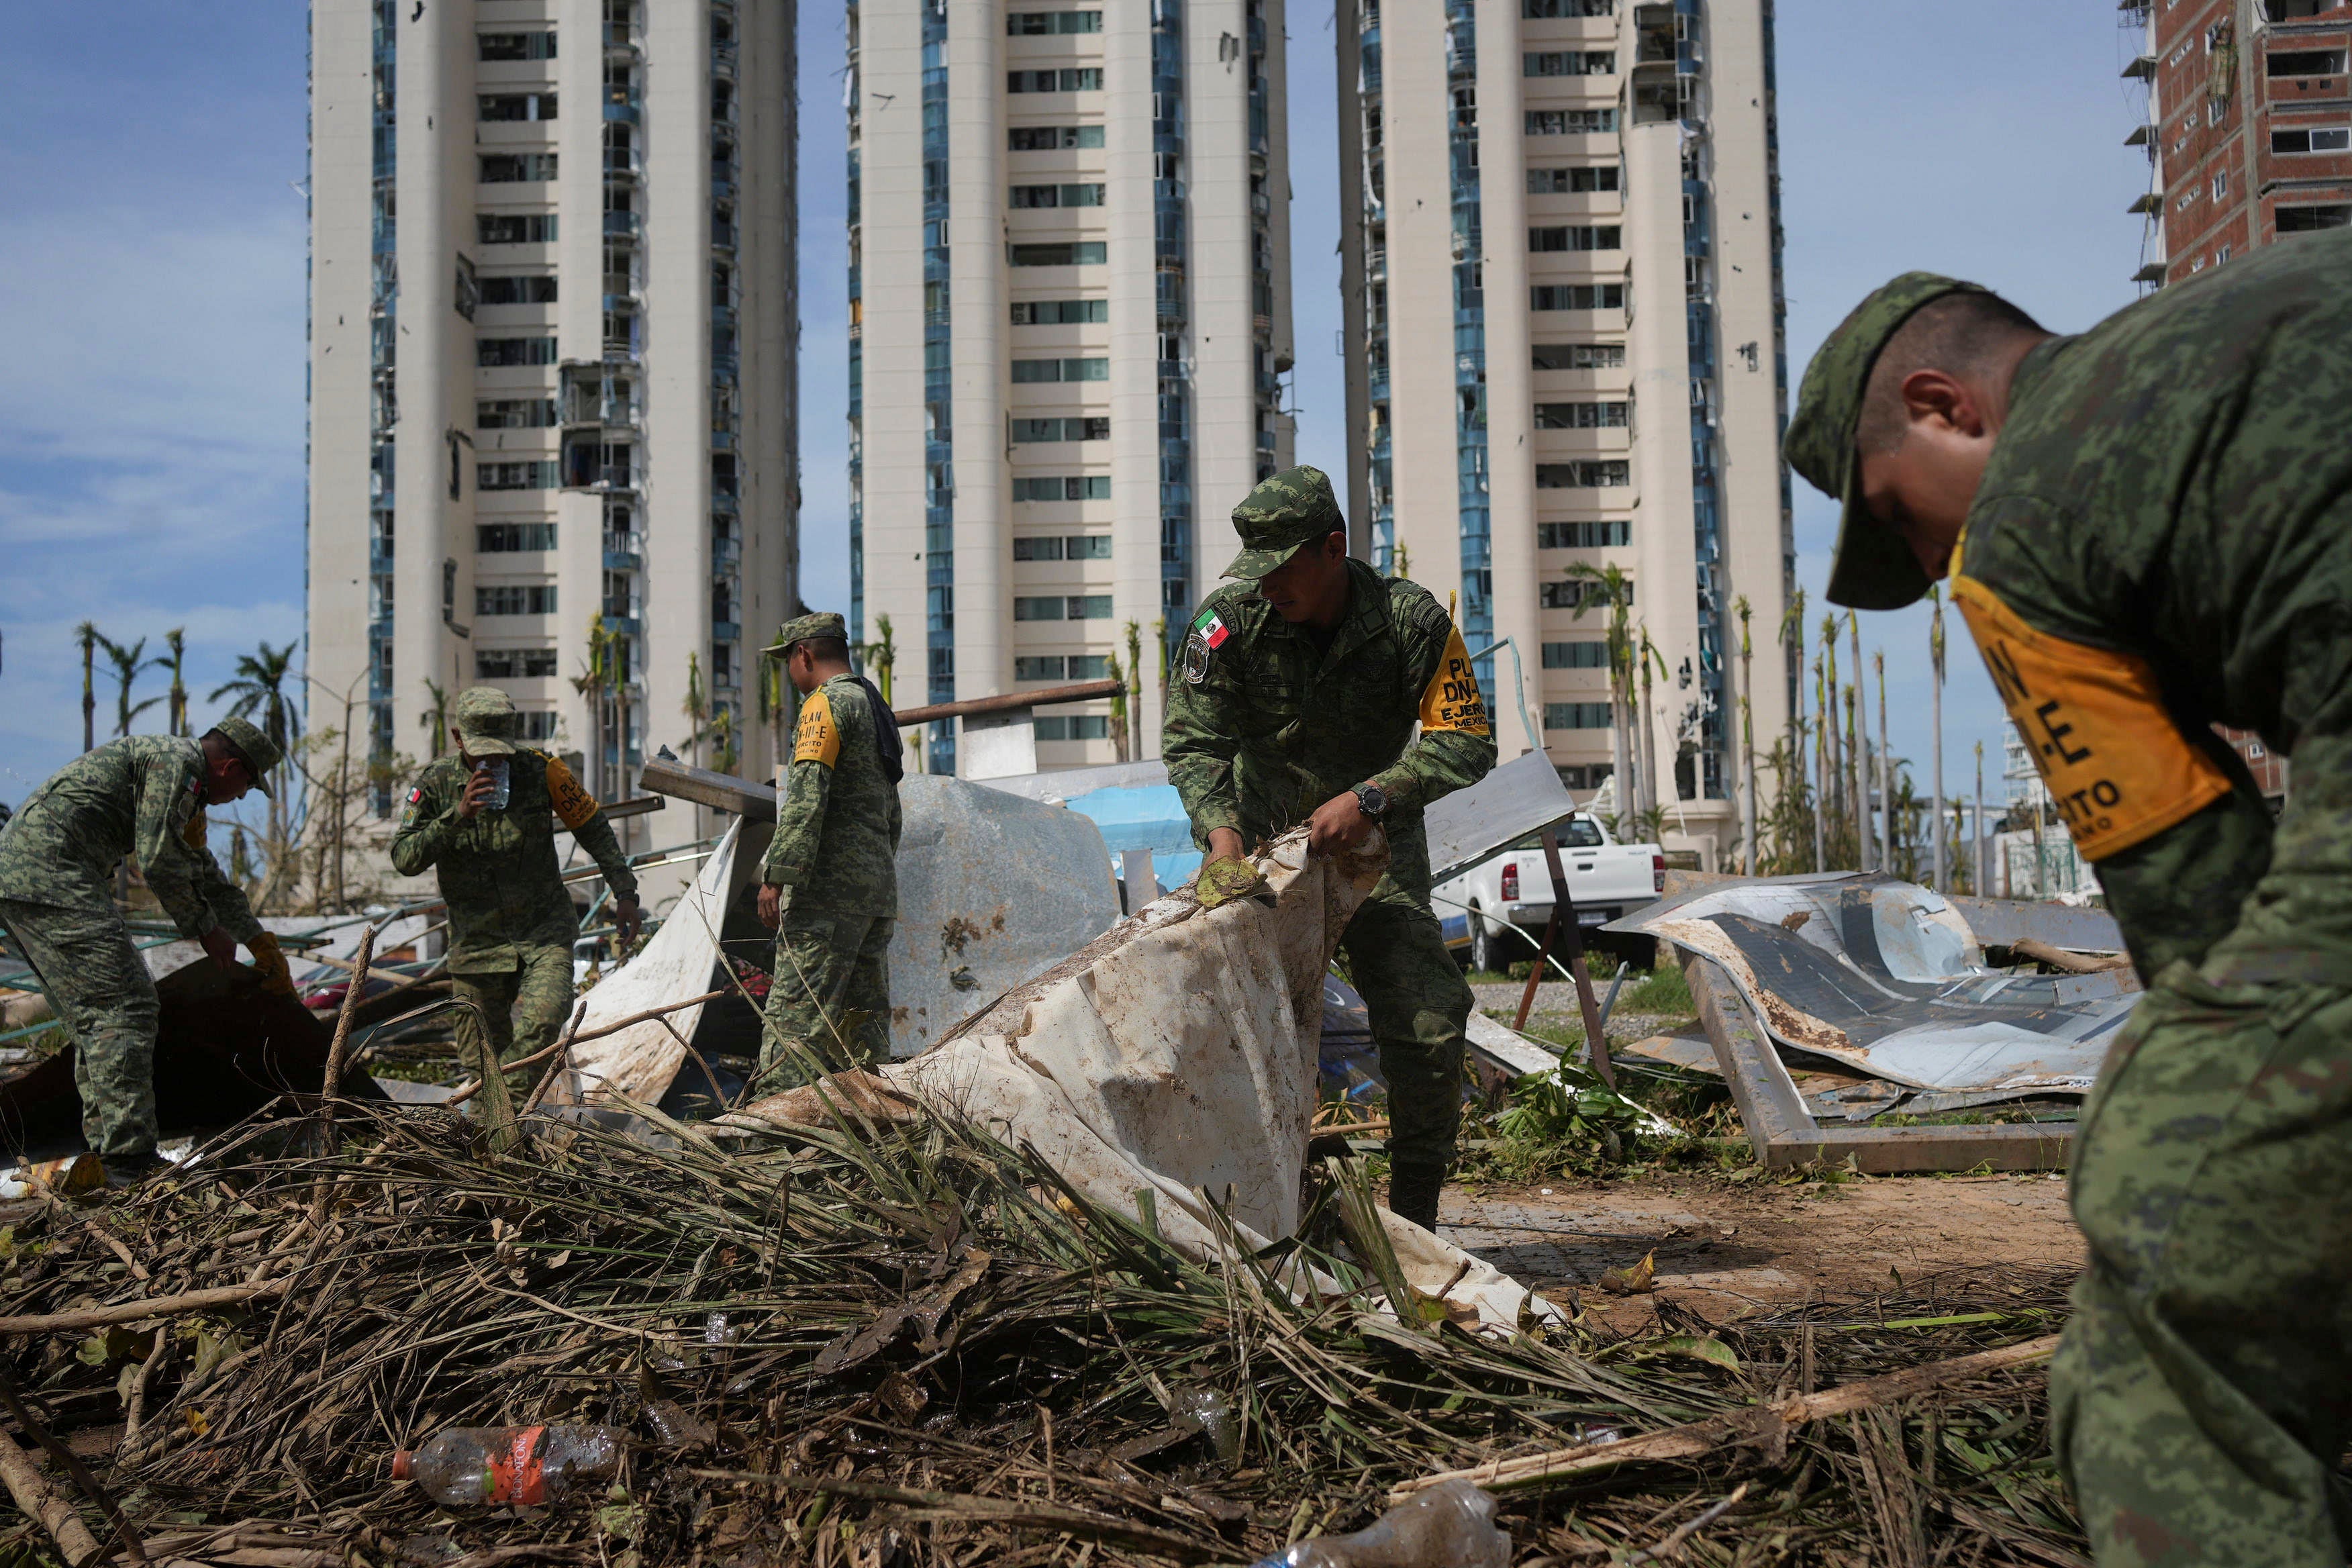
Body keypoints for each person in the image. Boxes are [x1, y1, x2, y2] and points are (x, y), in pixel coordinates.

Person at [1783, 228, 2352, 1568]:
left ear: (1946, 408)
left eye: (1904, 518)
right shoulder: (2276, 298)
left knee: (2167, 1238)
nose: (1932, 567)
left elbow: (2196, 900)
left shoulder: (2019, 520)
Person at [1163, 465, 1496, 1232]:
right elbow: (1193, 741)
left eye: (1282, 568)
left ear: (1333, 549)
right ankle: (1256, 1213)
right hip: (1253, 856)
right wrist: (1221, 839)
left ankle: (1415, 1227)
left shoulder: (1411, 622)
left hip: (1372, 853)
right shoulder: (1229, 622)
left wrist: (1372, 796)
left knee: (1428, 1025)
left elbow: (1468, 738)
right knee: (1237, 1035)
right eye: (1257, 569)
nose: (1266, 585)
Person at [0, 718, 292, 1184]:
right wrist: (205, 928)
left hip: (31, 876)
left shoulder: (184, 789)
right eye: (246, 786)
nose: (240, 798)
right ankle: (127, 1161)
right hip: (52, 873)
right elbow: (159, 860)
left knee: (95, 1019)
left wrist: (259, 941)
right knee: (126, 1006)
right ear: (230, 767)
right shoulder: (178, 764)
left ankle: (106, 1157)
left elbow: (201, 868)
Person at [391, 687, 641, 1085]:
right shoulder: (435, 785)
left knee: (544, 1022)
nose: (492, 761)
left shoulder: (544, 771)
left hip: (543, 933)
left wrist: (624, 892)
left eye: (500, 751)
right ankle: (498, 1134)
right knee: (481, 1064)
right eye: (480, 752)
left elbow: (593, 827)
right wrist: (457, 815)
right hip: (477, 947)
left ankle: (502, 1108)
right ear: (458, 739)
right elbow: (404, 858)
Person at [752, 612, 905, 1093]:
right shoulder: (875, 706)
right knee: (862, 1037)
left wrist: (776, 875)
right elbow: (892, 812)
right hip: (874, 896)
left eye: (789, 662)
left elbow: (805, 797)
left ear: (804, 655)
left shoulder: (825, 705)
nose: (791, 674)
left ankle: (770, 1145)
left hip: (826, 900)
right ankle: (870, 1142)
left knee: (794, 1028)